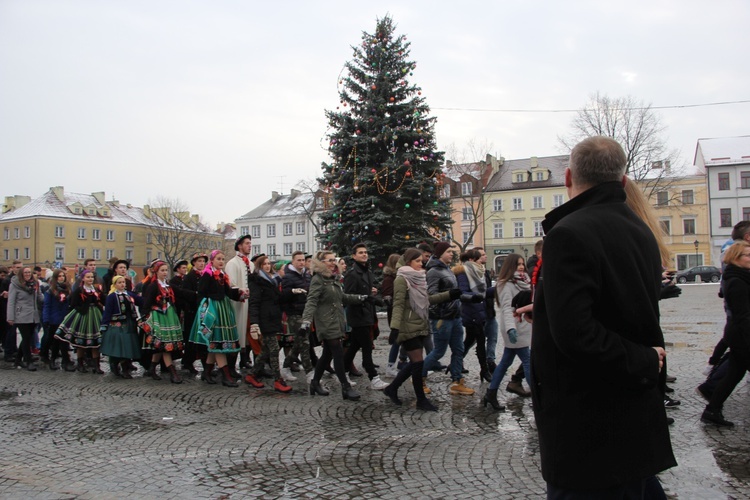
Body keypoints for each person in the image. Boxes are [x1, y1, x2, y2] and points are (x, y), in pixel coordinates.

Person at [531, 136, 675, 496]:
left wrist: (644, 360)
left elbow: (579, 335)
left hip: (589, 425)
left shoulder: (567, 233)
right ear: (622, 181)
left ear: (567, 177)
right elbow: (619, 303)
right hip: (629, 415)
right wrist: (549, 307)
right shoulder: (641, 230)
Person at [385, 248, 460, 411]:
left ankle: (392, 388)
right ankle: (421, 400)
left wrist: (449, 295)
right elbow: (397, 304)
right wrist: (395, 328)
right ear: (409, 262)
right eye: (417, 261)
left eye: (421, 261)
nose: (421, 263)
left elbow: (427, 300)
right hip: (407, 325)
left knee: (415, 363)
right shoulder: (401, 279)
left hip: (420, 323)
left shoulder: (419, 278)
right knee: (418, 363)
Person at [301, 251, 368, 400]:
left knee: (327, 354)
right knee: (337, 352)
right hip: (325, 322)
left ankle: (315, 383)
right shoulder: (318, 279)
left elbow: (342, 297)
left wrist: (361, 298)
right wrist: (306, 321)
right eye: (330, 260)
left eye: (334, 260)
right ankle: (345, 387)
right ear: (321, 262)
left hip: (336, 320)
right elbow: (311, 301)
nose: (333, 263)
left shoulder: (333, 279)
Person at [701, 241, 750, 427]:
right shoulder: (737, 281)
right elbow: (742, 316)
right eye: (747, 255)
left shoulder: (740, 277)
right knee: (733, 375)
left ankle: (712, 409)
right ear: (736, 258)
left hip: (737, 335)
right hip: (742, 337)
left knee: (733, 375)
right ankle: (711, 409)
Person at [422, 241, 480, 396]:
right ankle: (419, 378)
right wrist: (449, 298)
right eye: (448, 251)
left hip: (455, 316)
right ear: (440, 254)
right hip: (442, 318)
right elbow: (431, 296)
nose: (451, 254)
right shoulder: (433, 271)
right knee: (439, 352)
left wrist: (470, 298)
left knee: (458, 349)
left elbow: (456, 293)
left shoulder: (448, 269)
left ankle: (457, 381)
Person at [481, 254, 531, 411]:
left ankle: (491, 393)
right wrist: (511, 329)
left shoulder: (525, 281)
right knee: (528, 361)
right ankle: (539, 396)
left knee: (505, 362)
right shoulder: (505, 284)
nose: (521, 267)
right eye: (518, 265)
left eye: (522, 264)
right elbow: (507, 309)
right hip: (514, 328)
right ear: (510, 267)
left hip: (523, 326)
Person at [343, 244, 388, 390]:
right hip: (358, 316)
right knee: (367, 346)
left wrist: (371, 293)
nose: (364, 254)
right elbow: (347, 297)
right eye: (360, 252)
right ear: (354, 256)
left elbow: (365, 291)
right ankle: (373, 377)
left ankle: (342, 372)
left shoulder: (367, 272)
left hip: (367, 313)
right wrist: (365, 297)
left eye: (365, 252)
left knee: (354, 346)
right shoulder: (352, 274)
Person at [245, 255, 292, 393]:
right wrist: (254, 323)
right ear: (259, 266)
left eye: (268, 263)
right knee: (274, 348)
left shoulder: (274, 280)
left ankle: (252, 374)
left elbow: (279, 298)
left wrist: (292, 292)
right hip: (264, 319)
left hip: (273, 317)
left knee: (266, 350)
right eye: (264, 264)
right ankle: (278, 380)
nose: (267, 266)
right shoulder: (256, 281)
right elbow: (254, 303)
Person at [142, 261, 188, 384]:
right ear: (156, 272)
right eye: (162, 270)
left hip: (169, 316)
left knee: (162, 346)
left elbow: (180, 293)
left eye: (166, 270)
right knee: (165, 346)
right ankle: (173, 373)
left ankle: (152, 368)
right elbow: (146, 303)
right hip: (159, 317)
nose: (165, 273)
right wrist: (146, 318)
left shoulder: (168, 285)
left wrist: (195, 294)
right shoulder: (153, 286)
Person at [55, 269, 106, 373]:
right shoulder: (79, 290)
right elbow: (73, 304)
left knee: (96, 342)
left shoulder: (96, 290)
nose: (90, 279)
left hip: (96, 316)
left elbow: (103, 300)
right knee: (81, 342)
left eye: (91, 277)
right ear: (83, 278)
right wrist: (82, 310)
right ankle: (80, 364)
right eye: (88, 277)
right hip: (83, 316)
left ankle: (97, 365)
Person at [456, 249, 491, 382]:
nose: (481, 260)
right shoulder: (463, 272)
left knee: (469, 340)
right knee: (480, 342)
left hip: (480, 311)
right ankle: (485, 370)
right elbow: (462, 293)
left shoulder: (479, 272)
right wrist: (475, 297)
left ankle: (455, 364)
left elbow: (484, 292)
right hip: (471, 312)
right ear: (471, 260)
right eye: (478, 259)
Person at [100, 276, 143, 379]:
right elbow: (107, 312)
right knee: (119, 346)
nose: (122, 284)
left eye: (123, 282)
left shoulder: (129, 295)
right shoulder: (112, 296)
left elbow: (141, 301)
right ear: (115, 284)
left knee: (128, 345)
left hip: (130, 323)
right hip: (117, 324)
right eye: (119, 283)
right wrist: (104, 325)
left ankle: (125, 368)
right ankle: (115, 364)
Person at [280, 251, 314, 381]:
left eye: (302, 260)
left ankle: (285, 367)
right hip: (294, 313)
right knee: (304, 342)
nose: (301, 262)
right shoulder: (288, 276)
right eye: (298, 260)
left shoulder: (306, 275)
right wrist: (293, 292)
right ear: (293, 261)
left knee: (299, 342)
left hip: (305, 312)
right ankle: (309, 373)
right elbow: (283, 296)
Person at [225, 235, 253, 375]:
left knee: (248, 333)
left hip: (250, 305)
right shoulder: (232, 263)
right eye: (247, 243)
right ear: (239, 246)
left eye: (250, 243)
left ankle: (245, 359)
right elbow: (231, 284)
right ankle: (231, 367)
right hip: (237, 304)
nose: (249, 245)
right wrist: (241, 292)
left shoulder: (251, 263)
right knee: (237, 333)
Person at [7, 267, 44, 371]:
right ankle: (28, 361)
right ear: (21, 274)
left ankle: (18, 359)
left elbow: (40, 297)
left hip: (33, 315)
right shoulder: (15, 285)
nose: (27, 274)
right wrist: (10, 317)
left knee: (27, 337)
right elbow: (11, 302)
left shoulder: (35, 284)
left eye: (29, 272)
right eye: (25, 272)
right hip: (21, 315)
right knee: (27, 338)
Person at [41, 269, 74, 371]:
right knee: (54, 341)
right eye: (59, 276)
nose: (61, 278)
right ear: (55, 278)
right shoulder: (50, 291)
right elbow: (47, 306)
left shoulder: (68, 289)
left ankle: (66, 361)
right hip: (54, 318)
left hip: (65, 318)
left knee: (64, 341)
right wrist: (46, 319)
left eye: (63, 276)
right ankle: (52, 360)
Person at [181, 253, 207, 376]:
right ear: (194, 263)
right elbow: (184, 292)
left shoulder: (206, 275)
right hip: (192, 311)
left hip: (203, 311)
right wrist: (197, 294)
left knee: (202, 337)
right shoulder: (190, 276)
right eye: (199, 261)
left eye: (203, 261)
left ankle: (205, 363)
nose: (202, 263)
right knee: (191, 339)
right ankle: (188, 361)